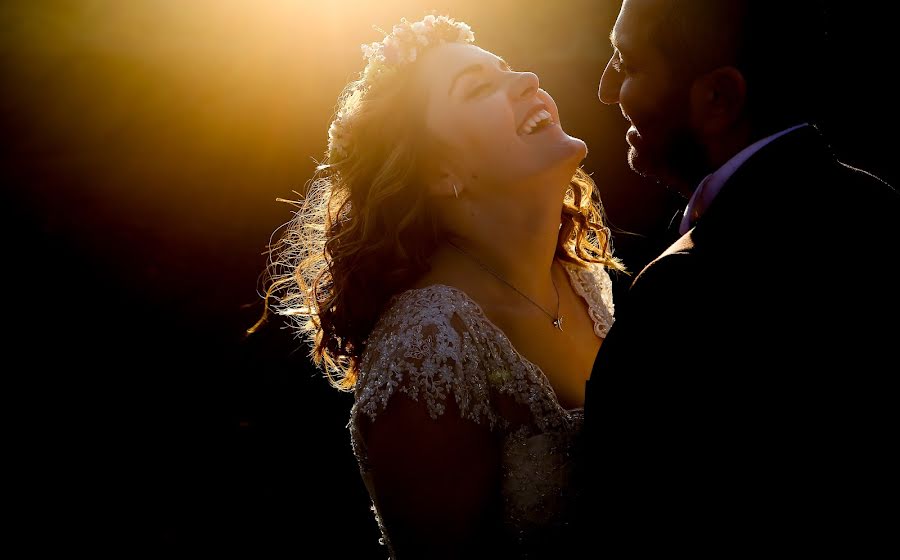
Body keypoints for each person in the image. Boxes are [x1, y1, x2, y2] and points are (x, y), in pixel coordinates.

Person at [252, 14, 624, 559]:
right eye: (478, 88)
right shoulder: (428, 344)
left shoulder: (585, 281)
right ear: (440, 172)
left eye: (508, 68)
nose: (525, 80)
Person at [582, 0, 900, 553]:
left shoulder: (685, 292)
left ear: (719, 98)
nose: (607, 90)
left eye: (627, 63)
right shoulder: (882, 208)